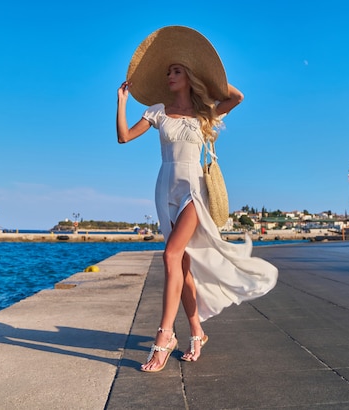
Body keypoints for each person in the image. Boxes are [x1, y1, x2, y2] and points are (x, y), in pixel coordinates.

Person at [116, 26, 278, 373]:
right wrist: (122, 102)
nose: (169, 76)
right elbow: (124, 137)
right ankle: (196, 332)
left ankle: (164, 336)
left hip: (193, 189)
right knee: (183, 267)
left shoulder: (205, 115)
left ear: (188, 77)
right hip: (165, 189)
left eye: (175, 71)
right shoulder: (157, 110)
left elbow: (237, 97)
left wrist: (209, 73)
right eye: (169, 72)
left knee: (170, 255)